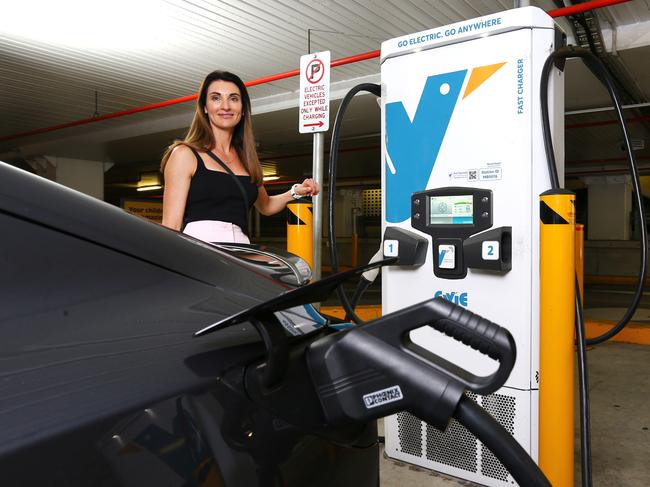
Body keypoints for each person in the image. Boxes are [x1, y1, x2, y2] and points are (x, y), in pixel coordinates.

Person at [161, 70, 319, 243]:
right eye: (216, 98)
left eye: (233, 98)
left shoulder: (247, 159)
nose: (225, 106)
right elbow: (171, 226)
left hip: (241, 252)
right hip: (199, 251)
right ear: (205, 107)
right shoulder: (185, 155)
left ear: (243, 108)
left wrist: (295, 192)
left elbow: (266, 206)